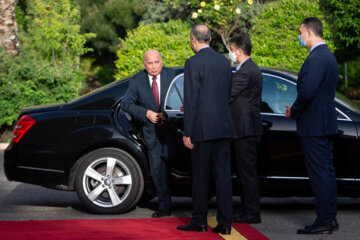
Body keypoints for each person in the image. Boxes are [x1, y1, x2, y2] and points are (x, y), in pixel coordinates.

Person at [177, 24, 236, 235]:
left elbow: (191, 99)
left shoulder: (193, 62)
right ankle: (226, 224)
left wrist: (187, 131)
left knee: (200, 178)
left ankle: (199, 221)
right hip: (224, 126)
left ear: (194, 39)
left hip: (202, 129)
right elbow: (227, 93)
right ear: (210, 38)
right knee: (223, 178)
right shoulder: (223, 61)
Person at [285, 17, 339, 234]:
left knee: (320, 174)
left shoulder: (318, 58)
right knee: (326, 172)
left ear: (309, 32)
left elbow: (307, 92)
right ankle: (329, 217)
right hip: (323, 123)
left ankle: (324, 219)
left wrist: (294, 110)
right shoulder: (327, 56)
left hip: (315, 125)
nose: (299, 36)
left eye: (300, 32)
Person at [121, 49, 175, 218]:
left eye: (156, 62)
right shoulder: (137, 81)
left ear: (161, 61)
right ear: (145, 65)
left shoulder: (172, 75)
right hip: (152, 133)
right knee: (158, 171)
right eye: (150, 63)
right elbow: (126, 105)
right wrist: (146, 113)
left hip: (175, 132)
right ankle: (164, 206)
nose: (154, 66)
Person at [228, 35, 263, 224]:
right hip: (245, 128)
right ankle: (245, 209)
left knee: (247, 174)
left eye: (231, 50)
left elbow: (229, 94)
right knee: (243, 173)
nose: (231, 53)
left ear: (239, 51)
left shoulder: (245, 71)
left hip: (245, 129)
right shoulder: (248, 68)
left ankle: (252, 213)